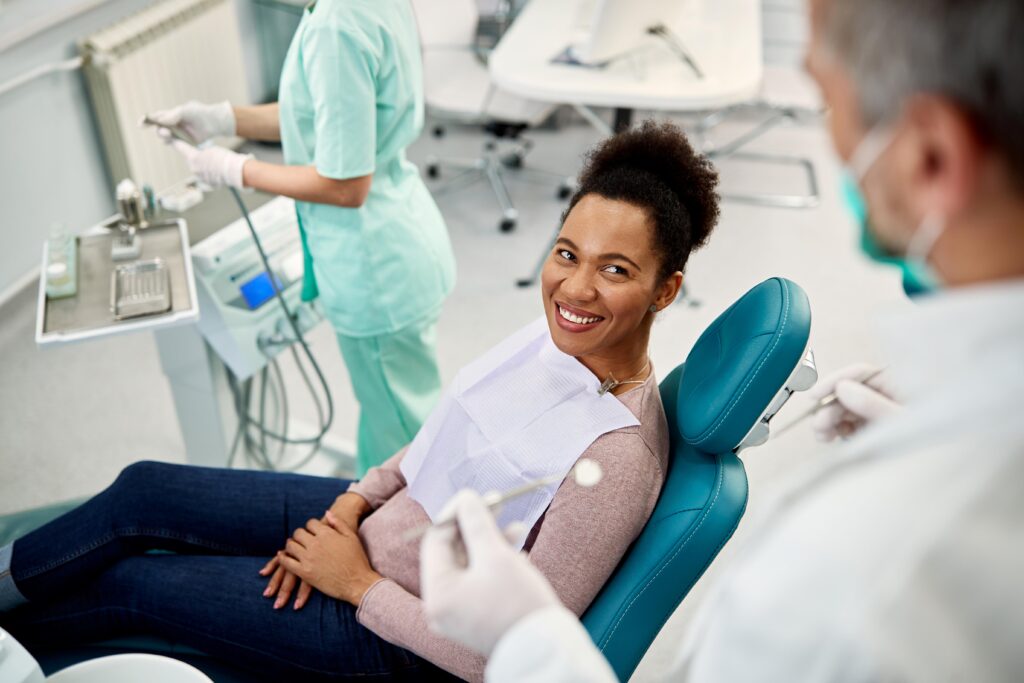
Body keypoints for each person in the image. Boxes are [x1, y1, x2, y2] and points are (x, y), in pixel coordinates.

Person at [418, 0, 1024, 680]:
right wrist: (933, 423)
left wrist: (528, 643)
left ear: (931, 157)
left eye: (827, 103)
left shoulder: (856, 584)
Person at [0, 122, 721, 682]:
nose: (574, 288)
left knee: (136, 585)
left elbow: (503, 654)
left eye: (615, 269)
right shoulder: (551, 341)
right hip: (374, 524)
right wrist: (353, 501)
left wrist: (356, 581)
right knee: (145, 489)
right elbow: (445, 436)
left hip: (389, 635)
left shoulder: (617, 460)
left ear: (665, 289)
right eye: (567, 252)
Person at [148, 0, 456, 476]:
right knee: (392, 410)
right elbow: (324, 112)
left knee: (406, 449)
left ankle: (400, 541)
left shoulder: (338, 22)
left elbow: (345, 185)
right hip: (403, 235)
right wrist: (224, 119)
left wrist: (235, 168)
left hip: (375, 265)